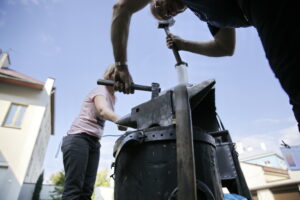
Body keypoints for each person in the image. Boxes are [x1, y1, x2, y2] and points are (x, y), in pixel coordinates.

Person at [111, 0, 300, 131]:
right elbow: (225, 47)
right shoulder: (207, 13)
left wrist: (121, 65)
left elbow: (121, 7)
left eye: (159, 7)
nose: (166, 13)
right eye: (163, 16)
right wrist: (184, 44)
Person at [61, 64, 126, 200]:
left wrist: (119, 123)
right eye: (117, 75)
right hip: (79, 138)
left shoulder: (113, 98)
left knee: (87, 190)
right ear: (109, 75)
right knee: (74, 188)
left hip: (94, 142)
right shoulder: (100, 90)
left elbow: (106, 115)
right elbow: (103, 110)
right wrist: (122, 120)